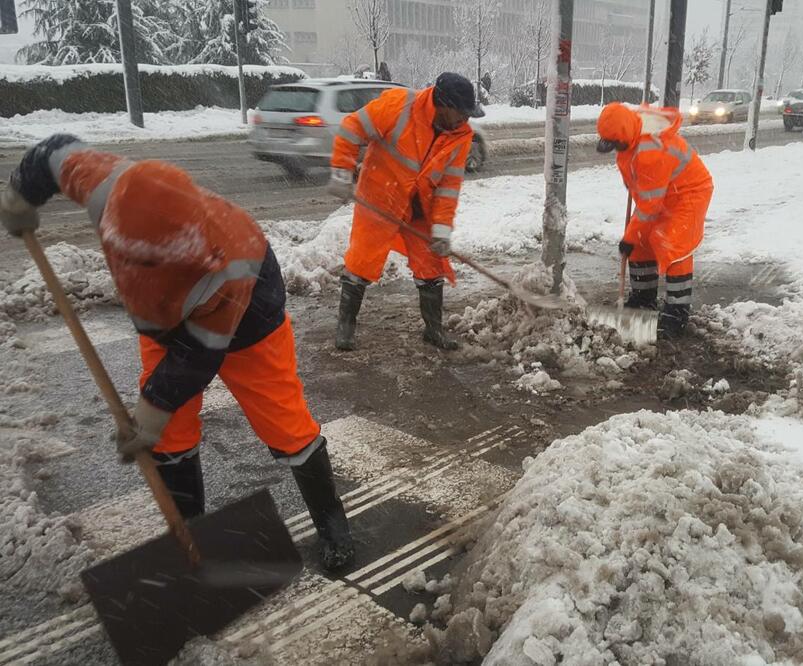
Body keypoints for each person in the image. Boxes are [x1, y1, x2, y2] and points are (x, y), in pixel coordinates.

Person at [0, 134, 354, 571]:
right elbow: (53, 154)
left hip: (248, 327)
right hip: (164, 322)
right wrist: (20, 195)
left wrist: (152, 406)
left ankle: (334, 524)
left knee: (286, 425)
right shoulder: (113, 187)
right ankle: (192, 535)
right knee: (170, 436)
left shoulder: (229, 264)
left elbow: (199, 357)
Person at [327, 72, 484, 351]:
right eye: (461, 113)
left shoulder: (461, 136)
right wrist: (342, 169)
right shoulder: (399, 107)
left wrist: (441, 230)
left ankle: (433, 330)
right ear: (443, 105)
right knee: (361, 262)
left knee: (431, 265)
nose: (466, 119)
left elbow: (448, 187)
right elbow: (352, 127)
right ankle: (345, 328)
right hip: (380, 198)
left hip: (419, 208)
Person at [596, 102, 714, 339]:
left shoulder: (651, 151)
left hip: (688, 193)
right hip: (661, 192)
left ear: (626, 136)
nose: (615, 149)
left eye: (616, 144)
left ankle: (676, 314)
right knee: (640, 241)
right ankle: (643, 299)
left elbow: (649, 206)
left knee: (670, 244)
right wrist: (633, 237)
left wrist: (628, 237)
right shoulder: (631, 129)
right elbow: (647, 198)